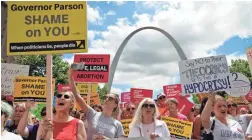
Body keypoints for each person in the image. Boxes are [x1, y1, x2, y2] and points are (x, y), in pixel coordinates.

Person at [68, 67, 124, 139]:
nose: (107, 99)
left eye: (110, 98)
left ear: (115, 104)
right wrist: (70, 75)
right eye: (105, 97)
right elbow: (77, 96)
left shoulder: (117, 124)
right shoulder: (92, 114)